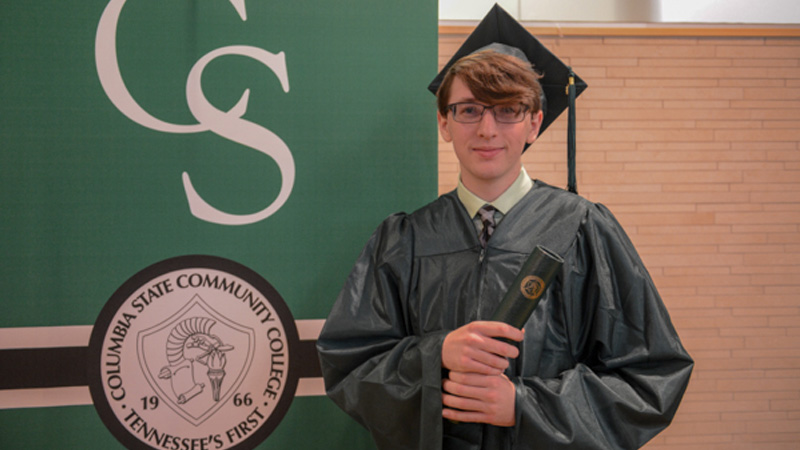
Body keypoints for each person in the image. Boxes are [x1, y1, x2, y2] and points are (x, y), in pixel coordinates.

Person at [317, 5, 693, 449]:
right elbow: (350, 365)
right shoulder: (404, 240)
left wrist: (522, 405)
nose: (488, 129)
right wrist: (436, 356)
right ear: (444, 122)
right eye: (469, 110)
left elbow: (651, 377)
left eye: (508, 110)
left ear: (535, 123)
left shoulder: (584, 229)